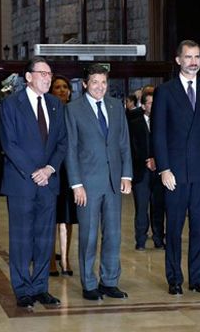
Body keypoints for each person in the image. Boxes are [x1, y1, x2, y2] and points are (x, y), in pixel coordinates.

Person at [151, 40, 200, 295]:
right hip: (175, 173)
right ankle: (174, 279)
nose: (194, 62)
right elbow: (158, 134)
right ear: (178, 60)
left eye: (198, 57)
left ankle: (197, 278)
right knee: (174, 229)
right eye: (189, 57)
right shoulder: (166, 91)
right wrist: (164, 169)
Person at [0, 56, 66, 308]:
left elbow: (62, 142)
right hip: (21, 183)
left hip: (48, 183)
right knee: (21, 238)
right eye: (42, 73)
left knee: (45, 238)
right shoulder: (11, 104)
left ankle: (40, 287)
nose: (48, 78)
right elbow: (9, 144)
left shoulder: (55, 105)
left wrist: (48, 169)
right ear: (28, 77)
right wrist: (34, 172)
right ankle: (22, 289)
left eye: (50, 74)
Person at [65, 63, 132, 301]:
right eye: (95, 82)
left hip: (114, 182)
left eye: (103, 82)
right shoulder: (73, 110)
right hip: (87, 184)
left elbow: (124, 143)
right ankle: (89, 283)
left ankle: (110, 281)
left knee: (113, 234)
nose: (100, 87)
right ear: (85, 84)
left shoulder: (116, 107)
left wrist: (127, 174)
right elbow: (70, 149)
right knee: (89, 236)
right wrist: (76, 184)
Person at [48, 75, 77, 277]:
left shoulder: (74, 112)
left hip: (70, 172)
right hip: (49, 170)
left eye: (65, 87)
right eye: (57, 87)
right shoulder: (46, 110)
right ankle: (50, 260)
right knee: (49, 217)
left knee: (66, 217)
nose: (61, 90)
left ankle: (66, 260)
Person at [129, 90, 165, 250]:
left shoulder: (163, 122)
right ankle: (140, 240)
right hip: (141, 172)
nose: (153, 106)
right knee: (141, 208)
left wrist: (157, 159)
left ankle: (159, 239)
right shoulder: (134, 123)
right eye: (150, 103)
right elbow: (131, 147)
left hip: (159, 172)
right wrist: (146, 160)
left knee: (158, 207)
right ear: (143, 105)